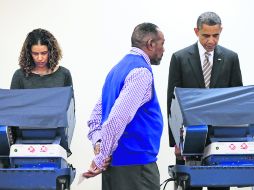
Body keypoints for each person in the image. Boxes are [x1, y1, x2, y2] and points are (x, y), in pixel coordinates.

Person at [83, 22, 165, 190]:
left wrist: (99, 145)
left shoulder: (116, 70)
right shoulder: (141, 72)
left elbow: (96, 116)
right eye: (162, 44)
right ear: (150, 44)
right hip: (136, 168)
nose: (163, 49)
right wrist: (101, 157)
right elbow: (117, 119)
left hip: (115, 168)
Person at [167, 12, 242, 190]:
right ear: (196, 31)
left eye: (216, 35)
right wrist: (175, 141)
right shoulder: (180, 58)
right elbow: (172, 102)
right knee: (190, 186)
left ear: (221, 31)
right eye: (206, 35)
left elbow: (237, 102)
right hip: (190, 137)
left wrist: (238, 140)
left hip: (221, 139)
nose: (211, 41)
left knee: (220, 186)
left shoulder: (231, 58)